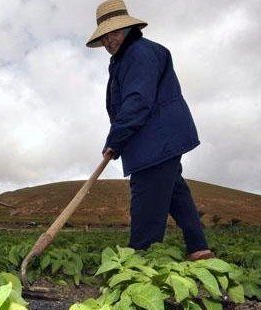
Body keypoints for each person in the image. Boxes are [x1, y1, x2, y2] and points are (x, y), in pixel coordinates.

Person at [86, 0, 214, 260]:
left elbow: (137, 100)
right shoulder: (136, 54)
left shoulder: (138, 53)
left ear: (125, 29)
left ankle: (139, 261)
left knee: (146, 199)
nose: (108, 42)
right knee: (176, 193)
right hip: (161, 139)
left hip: (153, 140)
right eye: (104, 37)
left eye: (112, 34)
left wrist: (116, 139)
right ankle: (198, 248)